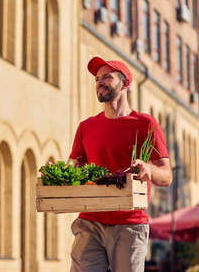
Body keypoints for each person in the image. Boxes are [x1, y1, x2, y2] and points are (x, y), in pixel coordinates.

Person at [68, 57, 173, 272]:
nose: (99, 82)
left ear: (125, 84)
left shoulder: (145, 124)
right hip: (90, 220)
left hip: (130, 223)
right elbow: (74, 165)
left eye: (107, 77)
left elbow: (166, 176)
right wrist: (68, 171)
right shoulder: (86, 127)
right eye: (97, 79)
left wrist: (148, 169)